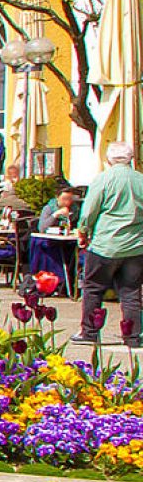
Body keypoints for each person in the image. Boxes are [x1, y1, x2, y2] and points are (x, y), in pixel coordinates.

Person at [73, 143, 143, 347]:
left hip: (106, 243)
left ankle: (89, 331)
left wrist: (83, 231)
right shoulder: (140, 179)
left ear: (109, 159)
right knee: (131, 291)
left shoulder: (104, 179)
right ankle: (132, 335)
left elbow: (89, 211)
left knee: (94, 287)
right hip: (136, 244)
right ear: (130, 159)